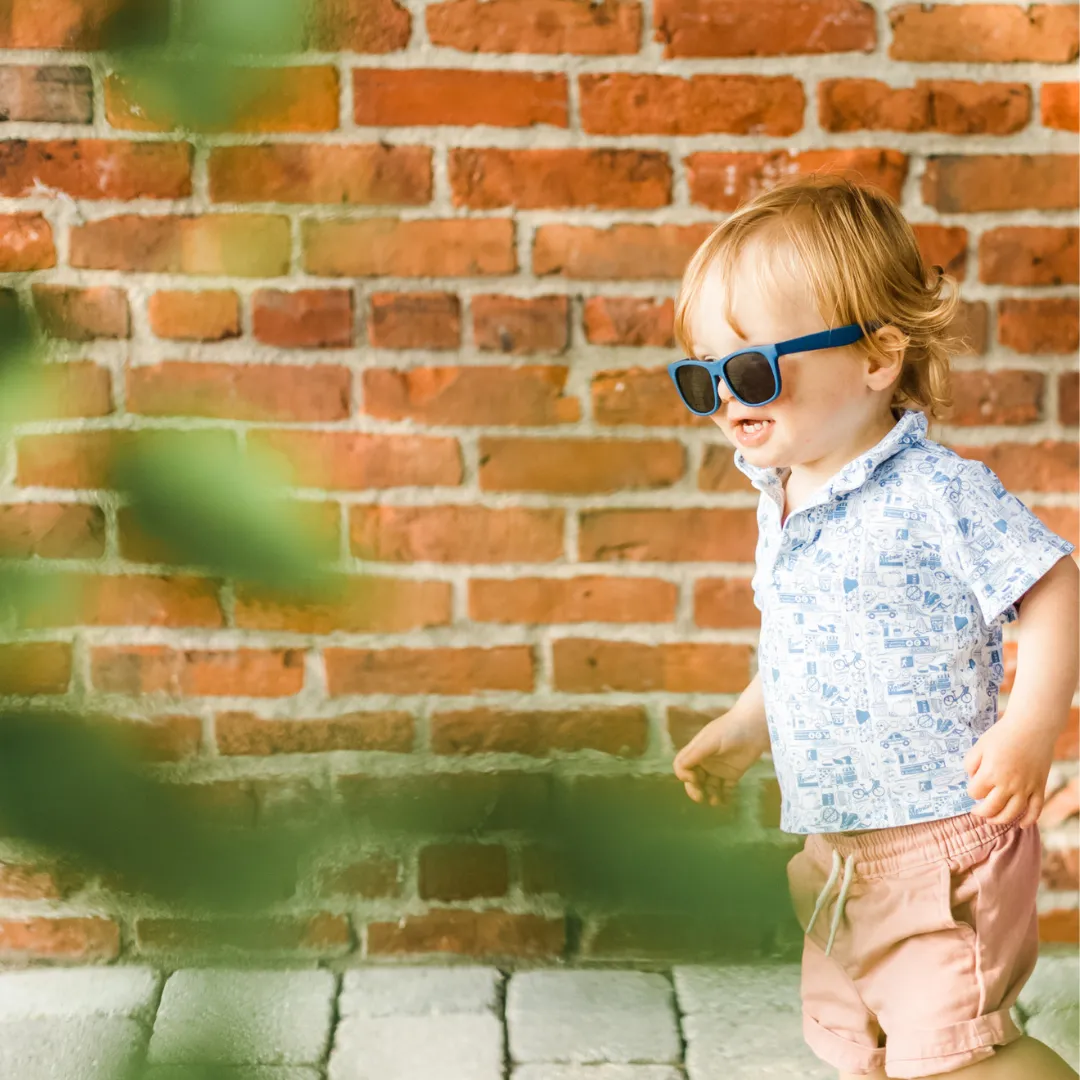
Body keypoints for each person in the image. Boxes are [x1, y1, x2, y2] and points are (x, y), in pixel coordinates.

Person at [670, 174, 1079, 1079]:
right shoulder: (785, 499)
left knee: (964, 1057)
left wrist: (1031, 725)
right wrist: (748, 723)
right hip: (837, 846)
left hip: (941, 843)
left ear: (875, 358)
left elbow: (1055, 587)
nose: (728, 400)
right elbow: (802, 646)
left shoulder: (937, 492)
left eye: (751, 369)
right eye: (702, 378)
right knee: (869, 1051)